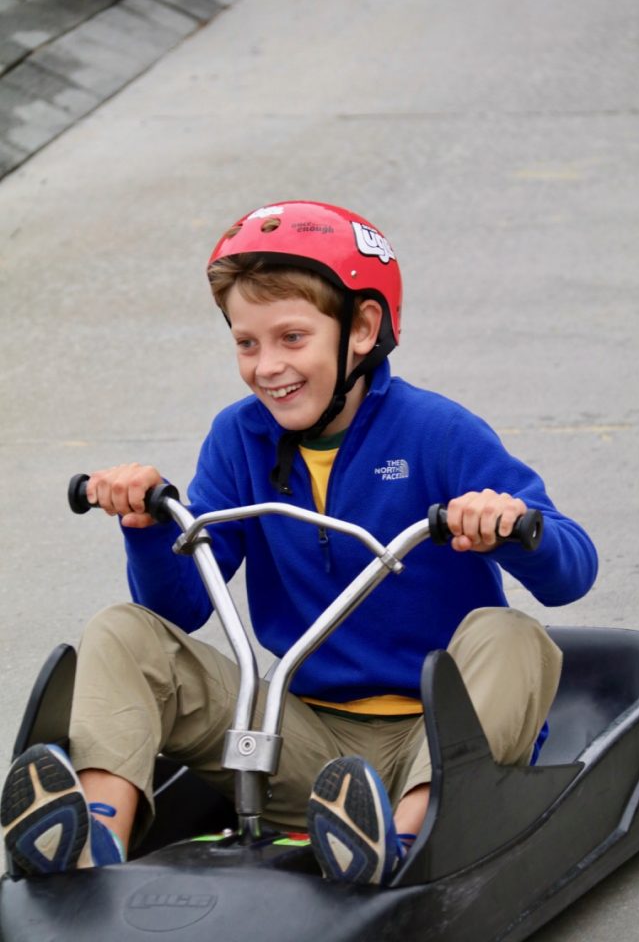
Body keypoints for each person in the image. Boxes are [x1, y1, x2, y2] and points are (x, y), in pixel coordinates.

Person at [1, 201, 598, 885]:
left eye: (291, 338)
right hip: (299, 740)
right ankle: (93, 841)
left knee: (511, 636)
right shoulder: (240, 437)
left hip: (439, 737)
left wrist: (508, 526)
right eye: (246, 343)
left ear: (363, 329)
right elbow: (183, 609)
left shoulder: (437, 432)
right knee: (123, 631)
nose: (265, 367)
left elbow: (572, 572)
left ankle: (403, 843)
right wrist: (146, 527)